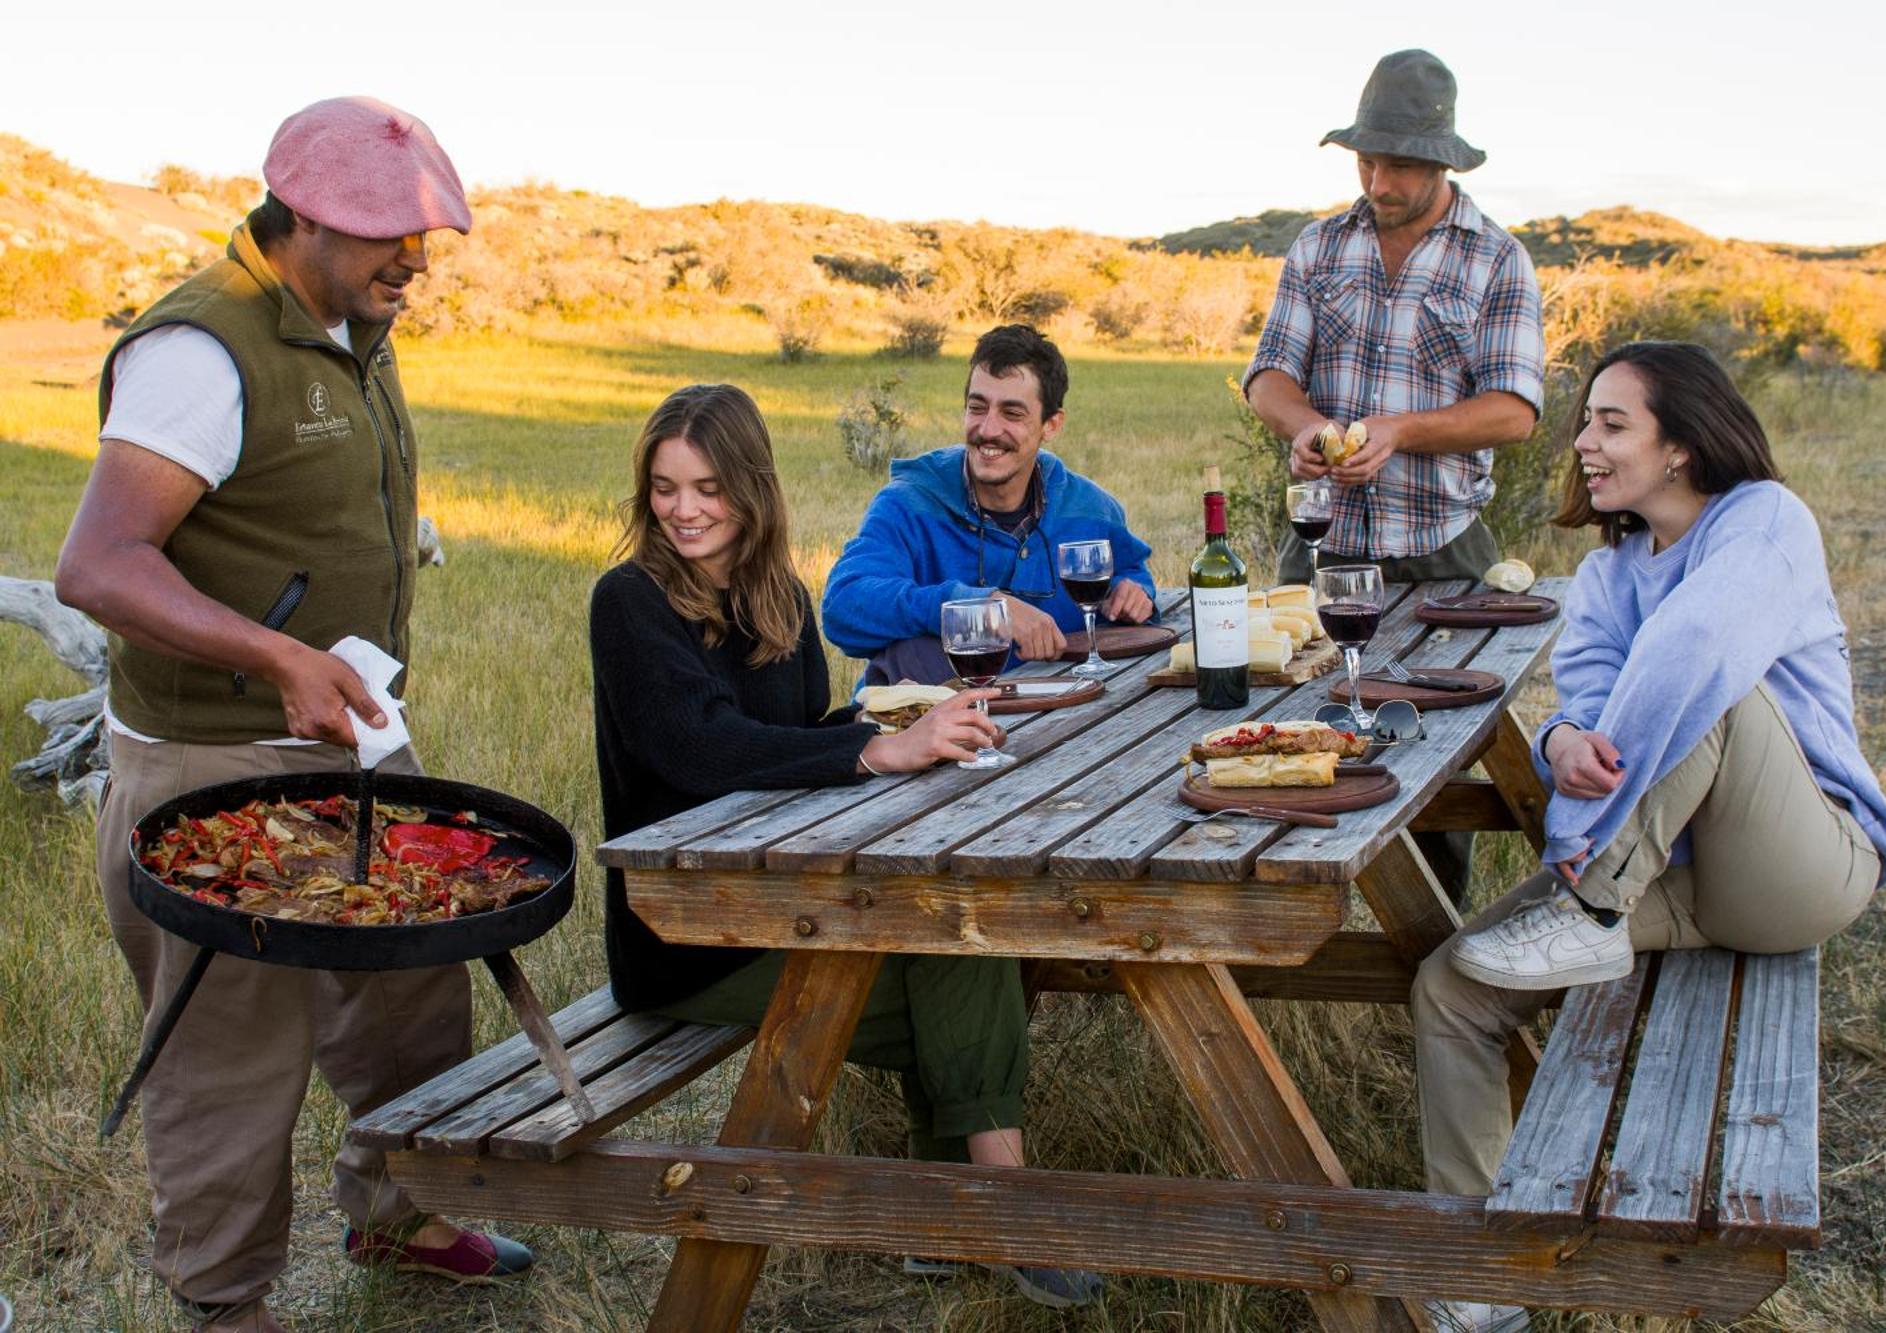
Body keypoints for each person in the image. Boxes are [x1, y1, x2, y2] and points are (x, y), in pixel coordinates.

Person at [53, 99, 528, 1333]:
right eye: (391, 236)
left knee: (413, 988)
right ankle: (226, 1300)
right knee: (230, 1041)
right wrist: (277, 657)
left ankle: (397, 1212)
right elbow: (100, 564)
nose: (416, 262)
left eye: (425, 236)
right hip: (213, 763)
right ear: (305, 215)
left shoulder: (352, 323)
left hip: (346, 742)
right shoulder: (198, 353)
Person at [1409, 342, 1886, 1333]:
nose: (1581, 442)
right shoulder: (1599, 574)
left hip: (1800, 863)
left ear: (1678, 443)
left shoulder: (1762, 521)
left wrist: (1581, 859)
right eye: (1584, 422)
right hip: (1666, 877)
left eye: (1608, 422)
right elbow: (1588, 703)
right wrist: (1561, 741)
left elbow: (1693, 656)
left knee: (1707, 686)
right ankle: (1482, 1274)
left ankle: (1588, 907)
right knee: (1451, 985)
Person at [590, 382, 1105, 1310]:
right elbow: (700, 747)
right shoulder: (629, 601)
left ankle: (955, 1221)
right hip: (686, 936)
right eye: (665, 488)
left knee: (962, 929)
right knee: (962, 961)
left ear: (751, 488)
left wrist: (892, 716)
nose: (685, 510)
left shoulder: (780, 598)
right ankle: (1003, 1206)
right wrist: (871, 748)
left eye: (707, 487)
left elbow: (791, 735)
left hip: (785, 900)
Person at [1244, 50, 1545, 908]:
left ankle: (1434, 940)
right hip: (1322, 549)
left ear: (1444, 161)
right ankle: (1290, 919)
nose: (1377, 179)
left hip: (1443, 551)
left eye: (1399, 164)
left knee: (1440, 754)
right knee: (1291, 734)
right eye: (1366, 160)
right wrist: (1305, 428)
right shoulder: (1318, 245)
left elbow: (1515, 411)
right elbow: (1269, 374)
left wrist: (1400, 432)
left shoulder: (1496, 259)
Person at [821, 324, 1156, 686]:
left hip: (1058, 716)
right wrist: (977, 606)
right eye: (977, 408)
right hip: (922, 725)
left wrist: (1134, 591)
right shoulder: (908, 503)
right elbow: (843, 605)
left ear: (1052, 424)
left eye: (1012, 414)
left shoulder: (1091, 507)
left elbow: (1132, 572)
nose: (988, 429)